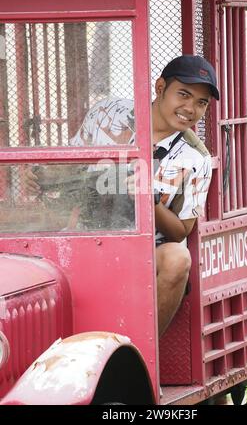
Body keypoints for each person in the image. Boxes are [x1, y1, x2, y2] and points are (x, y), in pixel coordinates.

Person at [25, 55, 219, 338]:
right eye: (184, 95)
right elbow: (70, 164)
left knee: (178, 258)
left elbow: (181, 231)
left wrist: (147, 198)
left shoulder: (196, 157)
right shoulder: (109, 112)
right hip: (82, 239)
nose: (190, 109)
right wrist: (39, 177)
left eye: (201, 103)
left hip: (144, 253)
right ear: (160, 86)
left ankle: (142, 354)